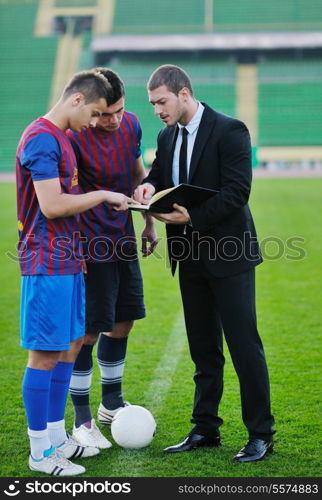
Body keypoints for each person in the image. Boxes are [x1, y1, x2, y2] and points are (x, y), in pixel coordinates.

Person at [134, 64, 275, 463]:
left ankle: (261, 434)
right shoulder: (166, 134)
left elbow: (238, 191)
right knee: (203, 349)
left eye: (161, 102)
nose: (157, 110)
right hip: (188, 257)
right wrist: (147, 186)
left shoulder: (230, 129)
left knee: (244, 347)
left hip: (229, 256)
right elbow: (161, 175)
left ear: (183, 93)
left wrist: (192, 218)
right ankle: (205, 428)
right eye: (152, 104)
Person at [16, 69, 134, 476]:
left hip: (70, 259)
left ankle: (56, 438)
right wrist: (102, 195)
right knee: (45, 354)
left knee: (67, 347)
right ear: (78, 100)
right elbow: (50, 206)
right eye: (96, 113)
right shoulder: (41, 138)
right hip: (45, 261)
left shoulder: (62, 139)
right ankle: (39, 453)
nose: (96, 123)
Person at [66, 68, 158, 449]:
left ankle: (111, 403)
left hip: (123, 239)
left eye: (119, 111)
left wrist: (149, 224)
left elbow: (138, 176)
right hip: (89, 244)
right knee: (88, 332)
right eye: (105, 114)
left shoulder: (131, 125)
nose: (113, 120)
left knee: (122, 323)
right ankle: (83, 418)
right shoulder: (74, 134)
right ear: (90, 107)